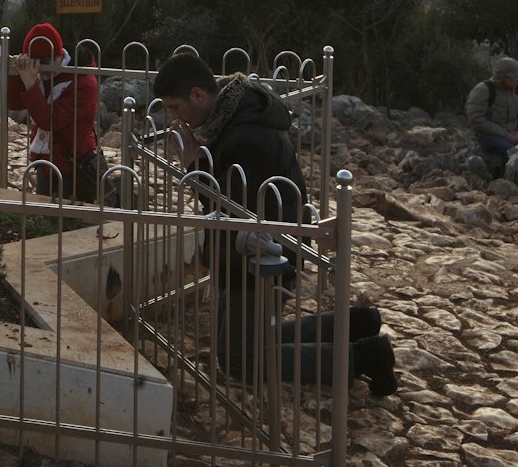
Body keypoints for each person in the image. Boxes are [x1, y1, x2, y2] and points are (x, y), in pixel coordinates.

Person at [153, 52, 396, 397]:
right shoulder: (233, 119)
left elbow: (234, 213)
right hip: (252, 255)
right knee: (247, 342)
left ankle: (364, 356)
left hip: (259, 261)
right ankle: (355, 325)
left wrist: (195, 166)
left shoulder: (245, 137)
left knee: (239, 361)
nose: (173, 117)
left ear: (197, 95)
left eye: (175, 107)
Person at [7, 23, 110, 204]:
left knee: (69, 218)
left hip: (72, 162)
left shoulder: (83, 81)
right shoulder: (40, 71)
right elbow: (14, 103)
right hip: (46, 157)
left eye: (44, 63)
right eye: (33, 62)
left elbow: (50, 121)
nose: (40, 70)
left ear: (58, 56)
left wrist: (31, 84)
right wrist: (19, 74)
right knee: (45, 214)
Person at [464, 57, 518, 178]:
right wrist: (505, 134)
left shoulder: (517, 91)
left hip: (514, 134)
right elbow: (476, 119)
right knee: (510, 151)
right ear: (503, 77)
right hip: (489, 135)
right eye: (515, 76)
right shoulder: (483, 90)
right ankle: (506, 182)